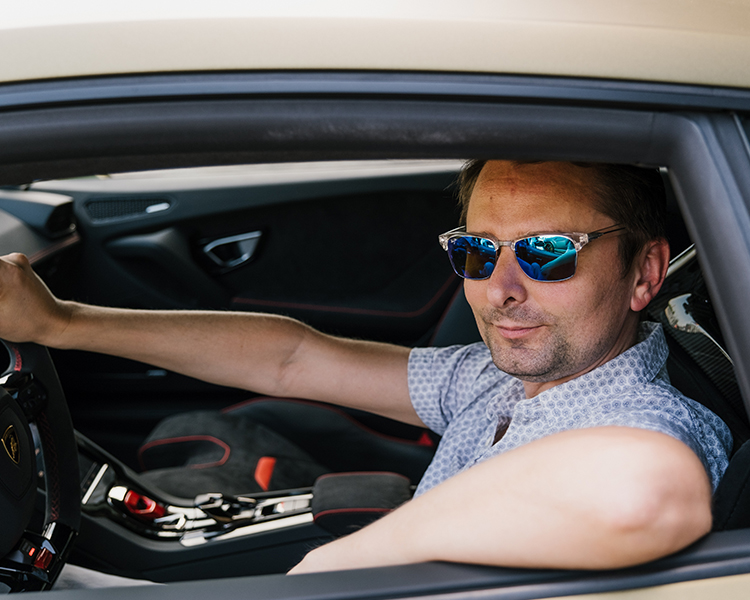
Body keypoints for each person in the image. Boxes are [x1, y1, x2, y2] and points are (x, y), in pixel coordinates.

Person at [0, 160, 731, 579]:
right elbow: (294, 358)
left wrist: (324, 578)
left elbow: (646, 489)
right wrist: (62, 323)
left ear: (645, 273)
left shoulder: (646, 414)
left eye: (547, 252)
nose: (501, 288)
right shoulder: (505, 375)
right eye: (477, 252)